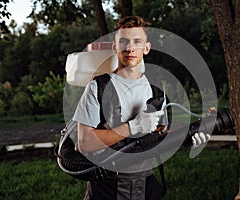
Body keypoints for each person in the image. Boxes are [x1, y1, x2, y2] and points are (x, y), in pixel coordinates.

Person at [73, 16, 209, 200]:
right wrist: (132, 128)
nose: (130, 48)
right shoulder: (99, 87)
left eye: (137, 42)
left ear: (146, 48)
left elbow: (160, 134)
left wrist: (189, 136)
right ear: (115, 47)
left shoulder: (155, 89)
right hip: (106, 186)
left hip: (145, 185)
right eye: (123, 42)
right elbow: (85, 143)